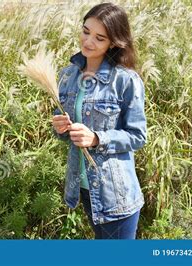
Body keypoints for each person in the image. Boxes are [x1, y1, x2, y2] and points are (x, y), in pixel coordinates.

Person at [52, 3, 147, 239]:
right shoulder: (67, 76)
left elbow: (137, 136)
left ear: (113, 42)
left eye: (99, 38)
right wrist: (60, 128)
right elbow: (65, 133)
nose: (88, 42)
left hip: (116, 193)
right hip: (83, 187)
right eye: (86, 31)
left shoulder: (125, 80)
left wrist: (96, 138)